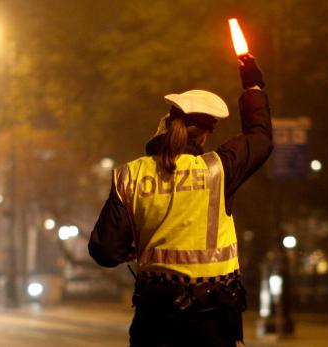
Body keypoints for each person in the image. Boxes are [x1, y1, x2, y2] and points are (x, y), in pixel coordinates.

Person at [89, 55, 272, 347]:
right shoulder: (218, 170)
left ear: (167, 124)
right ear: (205, 135)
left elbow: (105, 250)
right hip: (212, 323)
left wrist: (133, 250)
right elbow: (260, 137)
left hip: (155, 321)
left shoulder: (130, 175)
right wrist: (252, 86)